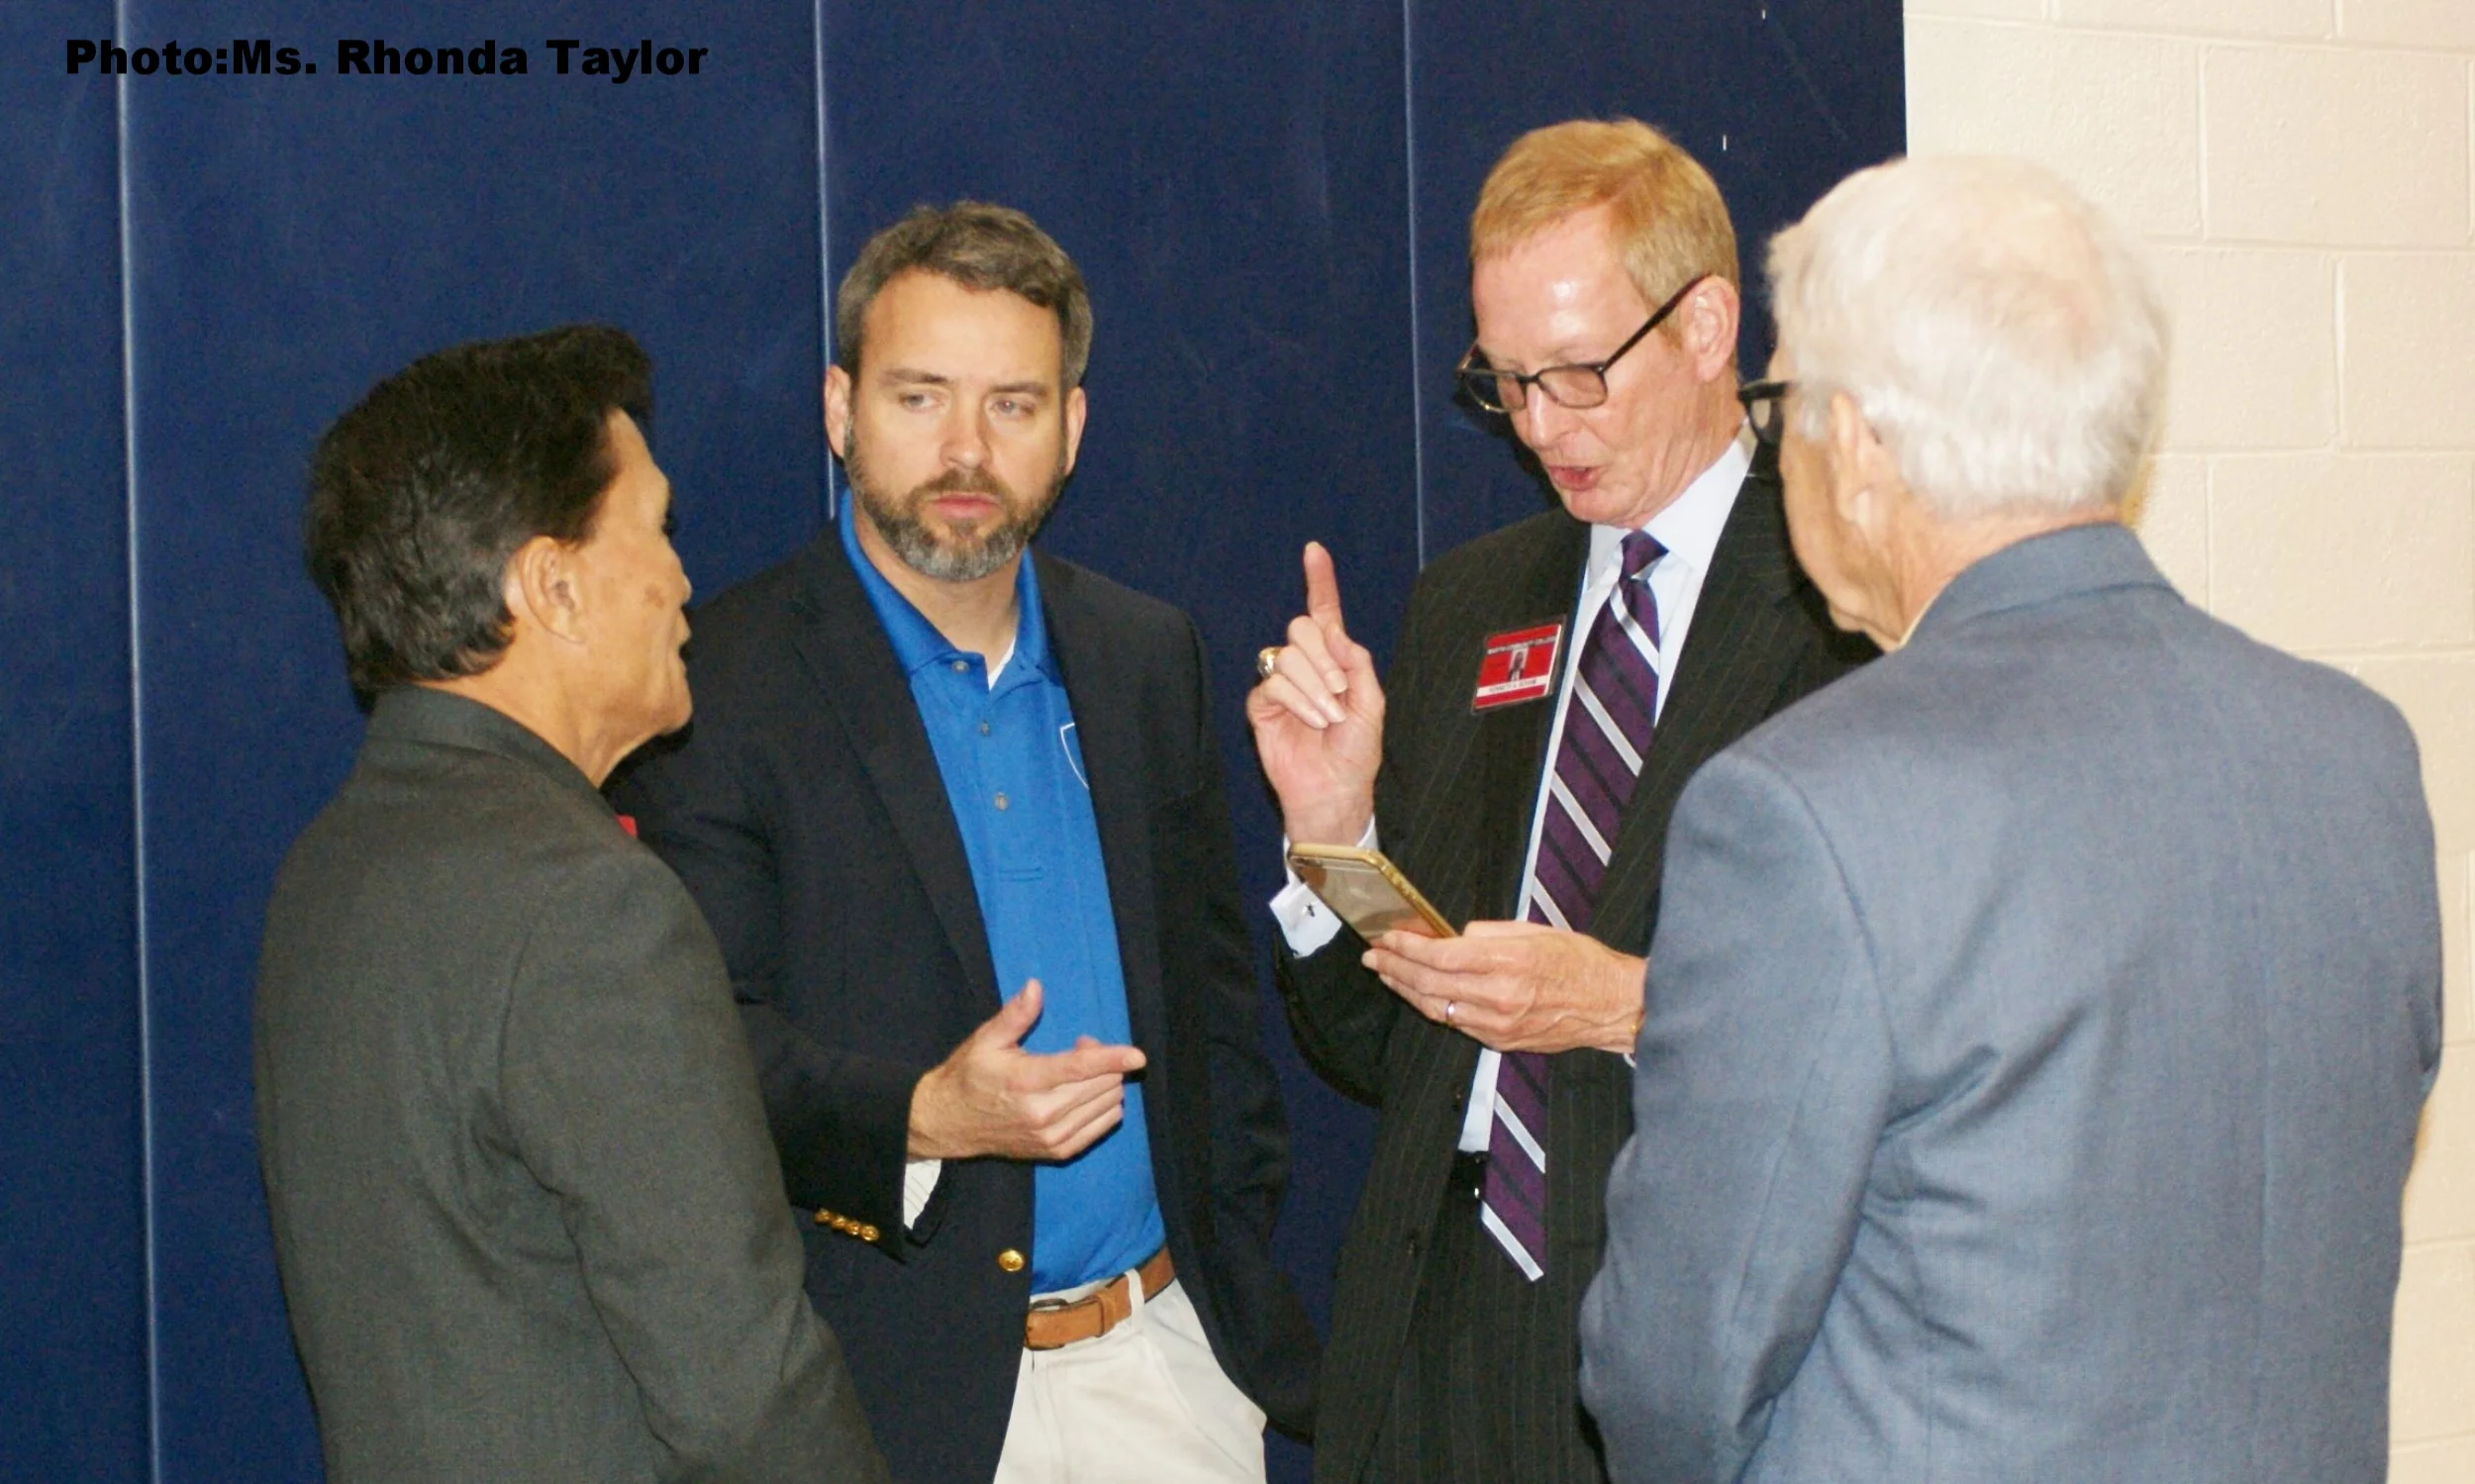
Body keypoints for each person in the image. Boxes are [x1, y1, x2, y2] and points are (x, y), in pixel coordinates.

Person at [1577, 154, 2444, 1484]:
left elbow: (1675, 1371)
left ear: (1856, 445)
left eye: (1782, 402)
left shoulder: (1806, 809)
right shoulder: (2355, 754)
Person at [610, 202, 1317, 1484]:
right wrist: (928, 1115)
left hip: (1165, 1365)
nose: (965, 449)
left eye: (1013, 404)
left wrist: (1223, 1271)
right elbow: (700, 1055)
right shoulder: (716, 683)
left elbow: (1215, 1012)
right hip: (883, 1410)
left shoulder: (1145, 656)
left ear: (1073, 430)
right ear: (840, 409)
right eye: (920, 396)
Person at [1248, 119, 1870, 1484]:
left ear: (1708, 325)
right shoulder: (1473, 603)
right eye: (1507, 382)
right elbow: (1378, 1044)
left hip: (1700, 1328)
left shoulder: (1853, 602)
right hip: (1436, 1319)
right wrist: (1334, 828)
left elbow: (1911, 1029)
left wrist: (1616, 1002)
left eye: (1580, 374)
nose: (1539, 427)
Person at [253, 327, 887, 1484]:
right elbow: (746, 1394)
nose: (683, 578)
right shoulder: (590, 909)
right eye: (652, 528)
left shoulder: (332, 866)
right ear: (552, 584)